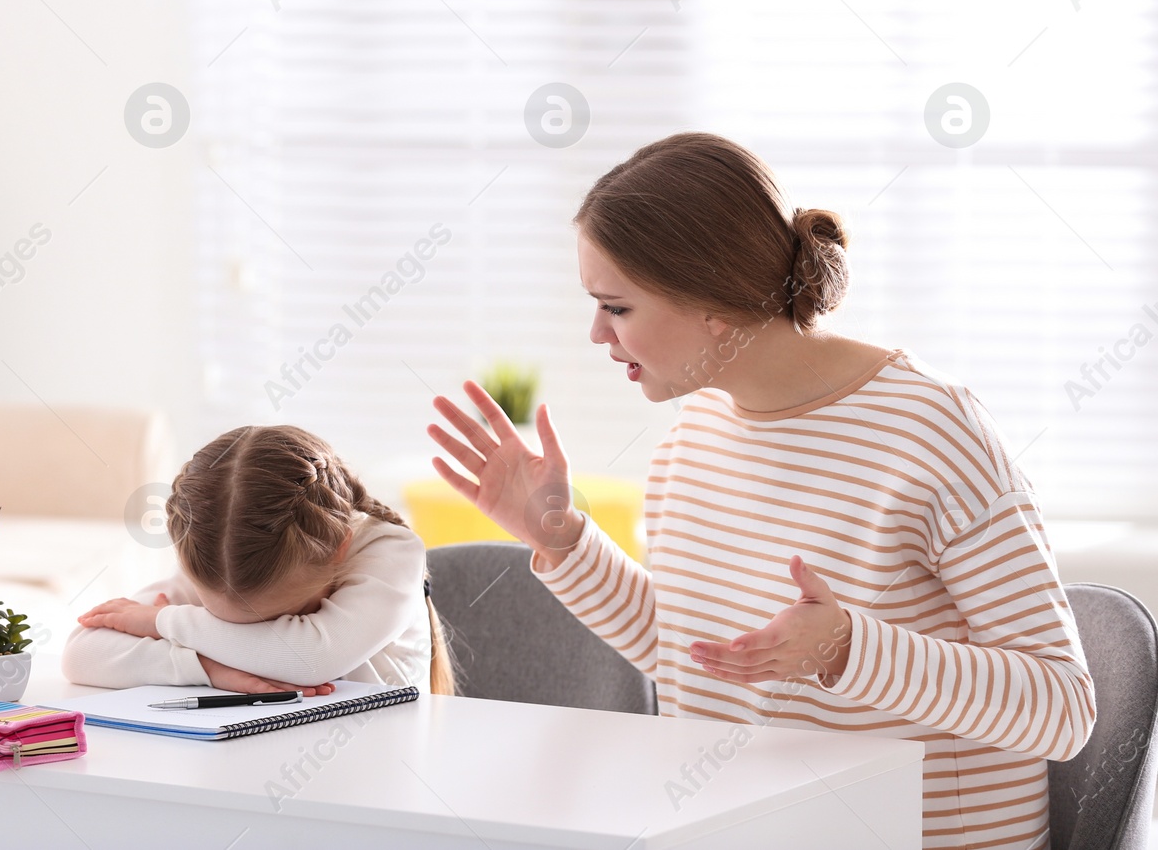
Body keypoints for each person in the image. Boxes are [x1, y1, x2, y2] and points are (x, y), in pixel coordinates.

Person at [428, 131, 1093, 850]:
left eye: (615, 307)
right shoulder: (694, 435)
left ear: (712, 303)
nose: (595, 333)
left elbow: (1062, 706)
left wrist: (845, 648)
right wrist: (561, 539)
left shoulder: (931, 431)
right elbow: (703, 656)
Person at [63, 424, 454, 695]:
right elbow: (82, 654)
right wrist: (212, 669)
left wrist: (161, 621)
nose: (252, 649)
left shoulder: (393, 551)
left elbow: (310, 658)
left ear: (338, 550)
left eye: (273, 625)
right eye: (225, 625)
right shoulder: (219, 553)